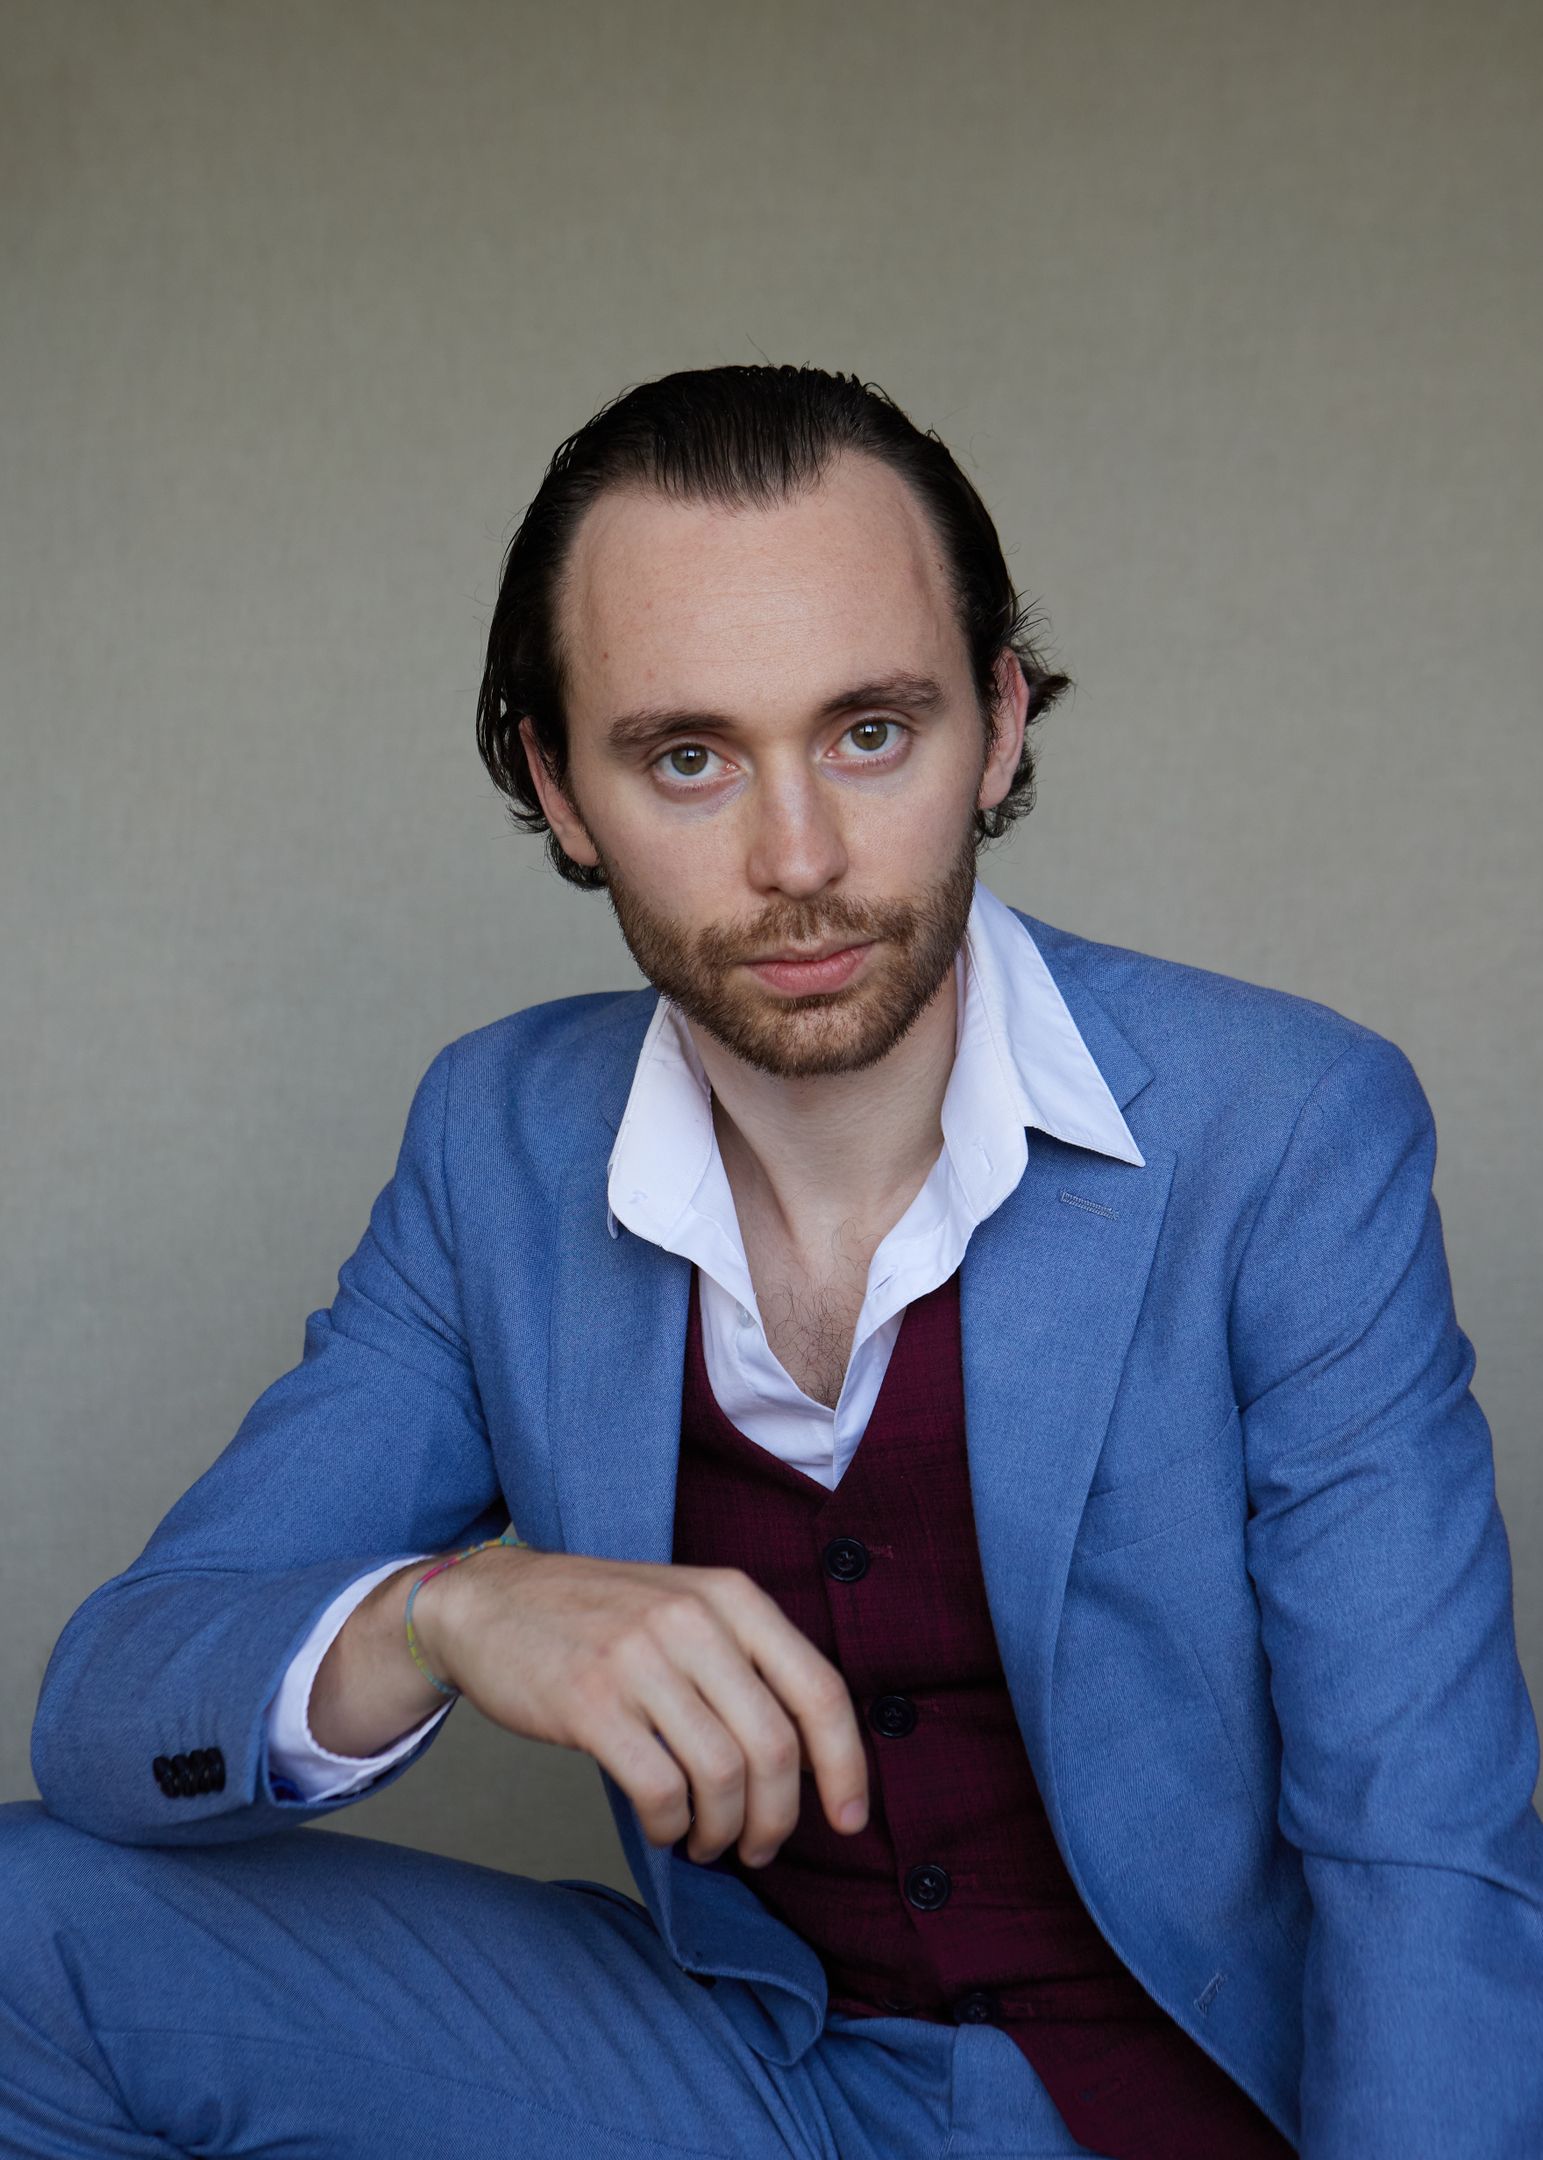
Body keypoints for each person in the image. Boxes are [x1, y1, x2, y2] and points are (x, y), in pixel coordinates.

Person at [6, 365, 1541, 2160]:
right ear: (558, 787)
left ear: (1000, 726)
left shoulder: (1285, 1128)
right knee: (32, 1934)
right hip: (754, 2080)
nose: (797, 859)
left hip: (1178, 2111)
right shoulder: (500, 1140)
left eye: (871, 733)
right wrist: (448, 1612)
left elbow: (1423, 1849)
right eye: (688, 757)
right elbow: (116, 1707)